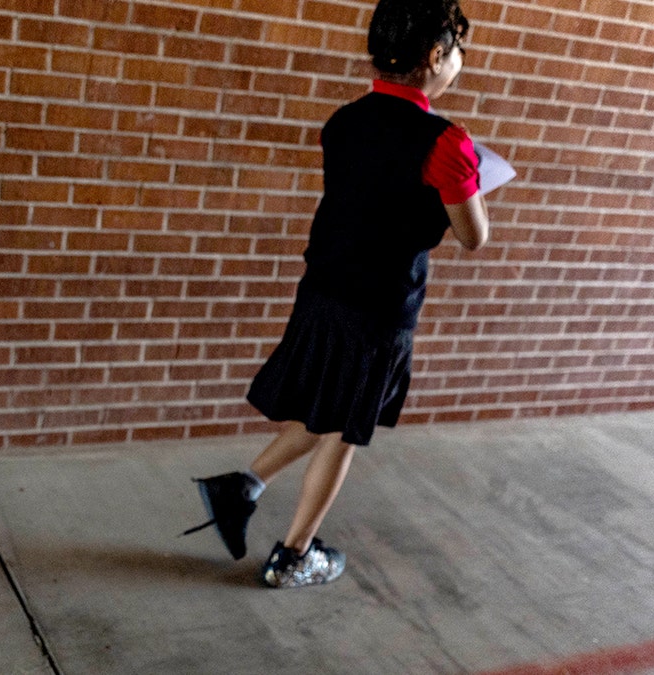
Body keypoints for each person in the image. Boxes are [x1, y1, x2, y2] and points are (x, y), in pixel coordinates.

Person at [186, 0, 490, 589]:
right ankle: (295, 554)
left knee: (329, 407)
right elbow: (473, 235)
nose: (458, 64)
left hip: (323, 291)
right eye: (457, 53)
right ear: (435, 56)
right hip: (379, 309)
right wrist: (471, 176)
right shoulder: (447, 142)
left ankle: (239, 488)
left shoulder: (343, 121)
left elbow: (369, 203)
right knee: (347, 429)